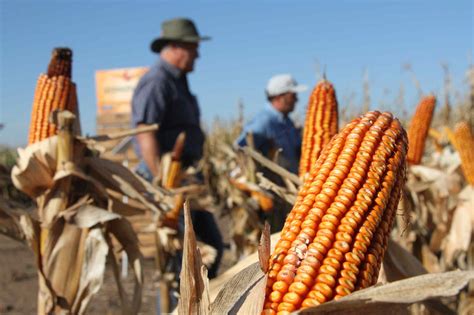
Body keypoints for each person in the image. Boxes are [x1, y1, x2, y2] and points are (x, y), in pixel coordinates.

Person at [131, 17, 223, 279]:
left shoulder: (178, 80)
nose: (198, 54)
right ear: (175, 47)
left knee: (211, 248)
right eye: (194, 47)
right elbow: (145, 132)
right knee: (183, 258)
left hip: (185, 179)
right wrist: (162, 181)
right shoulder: (157, 81)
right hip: (168, 181)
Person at [236, 74, 307, 232]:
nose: (297, 99)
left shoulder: (286, 121)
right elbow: (240, 151)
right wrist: (255, 191)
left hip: (290, 195)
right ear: (280, 97)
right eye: (293, 95)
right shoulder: (265, 122)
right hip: (272, 200)